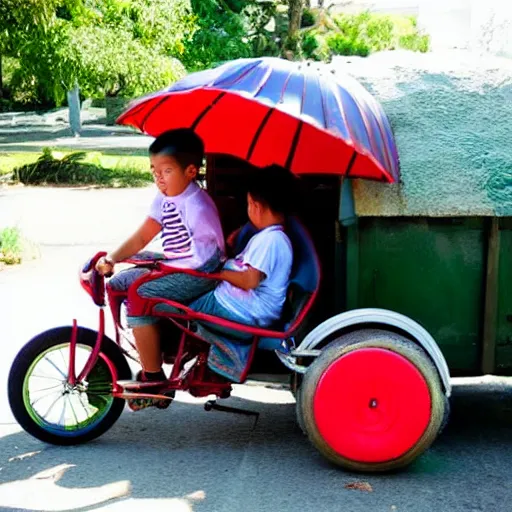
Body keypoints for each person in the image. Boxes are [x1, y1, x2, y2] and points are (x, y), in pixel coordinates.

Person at [95, 129, 225, 392]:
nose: (159, 178)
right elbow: (143, 235)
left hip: (200, 270)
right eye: (154, 170)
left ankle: (153, 377)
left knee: (140, 293)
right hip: (178, 263)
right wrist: (113, 257)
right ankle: (157, 341)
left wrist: (155, 268)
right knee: (118, 283)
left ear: (190, 171)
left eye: (166, 171)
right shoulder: (165, 199)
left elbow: (205, 259)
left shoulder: (197, 204)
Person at [188, 165, 295, 329]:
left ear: (256, 207)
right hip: (246, 307)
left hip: (244, 311)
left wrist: (218, 274)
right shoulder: (272, 236)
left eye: (248, 204)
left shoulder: (272, 240)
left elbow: (249, 281)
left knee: (182, 306)